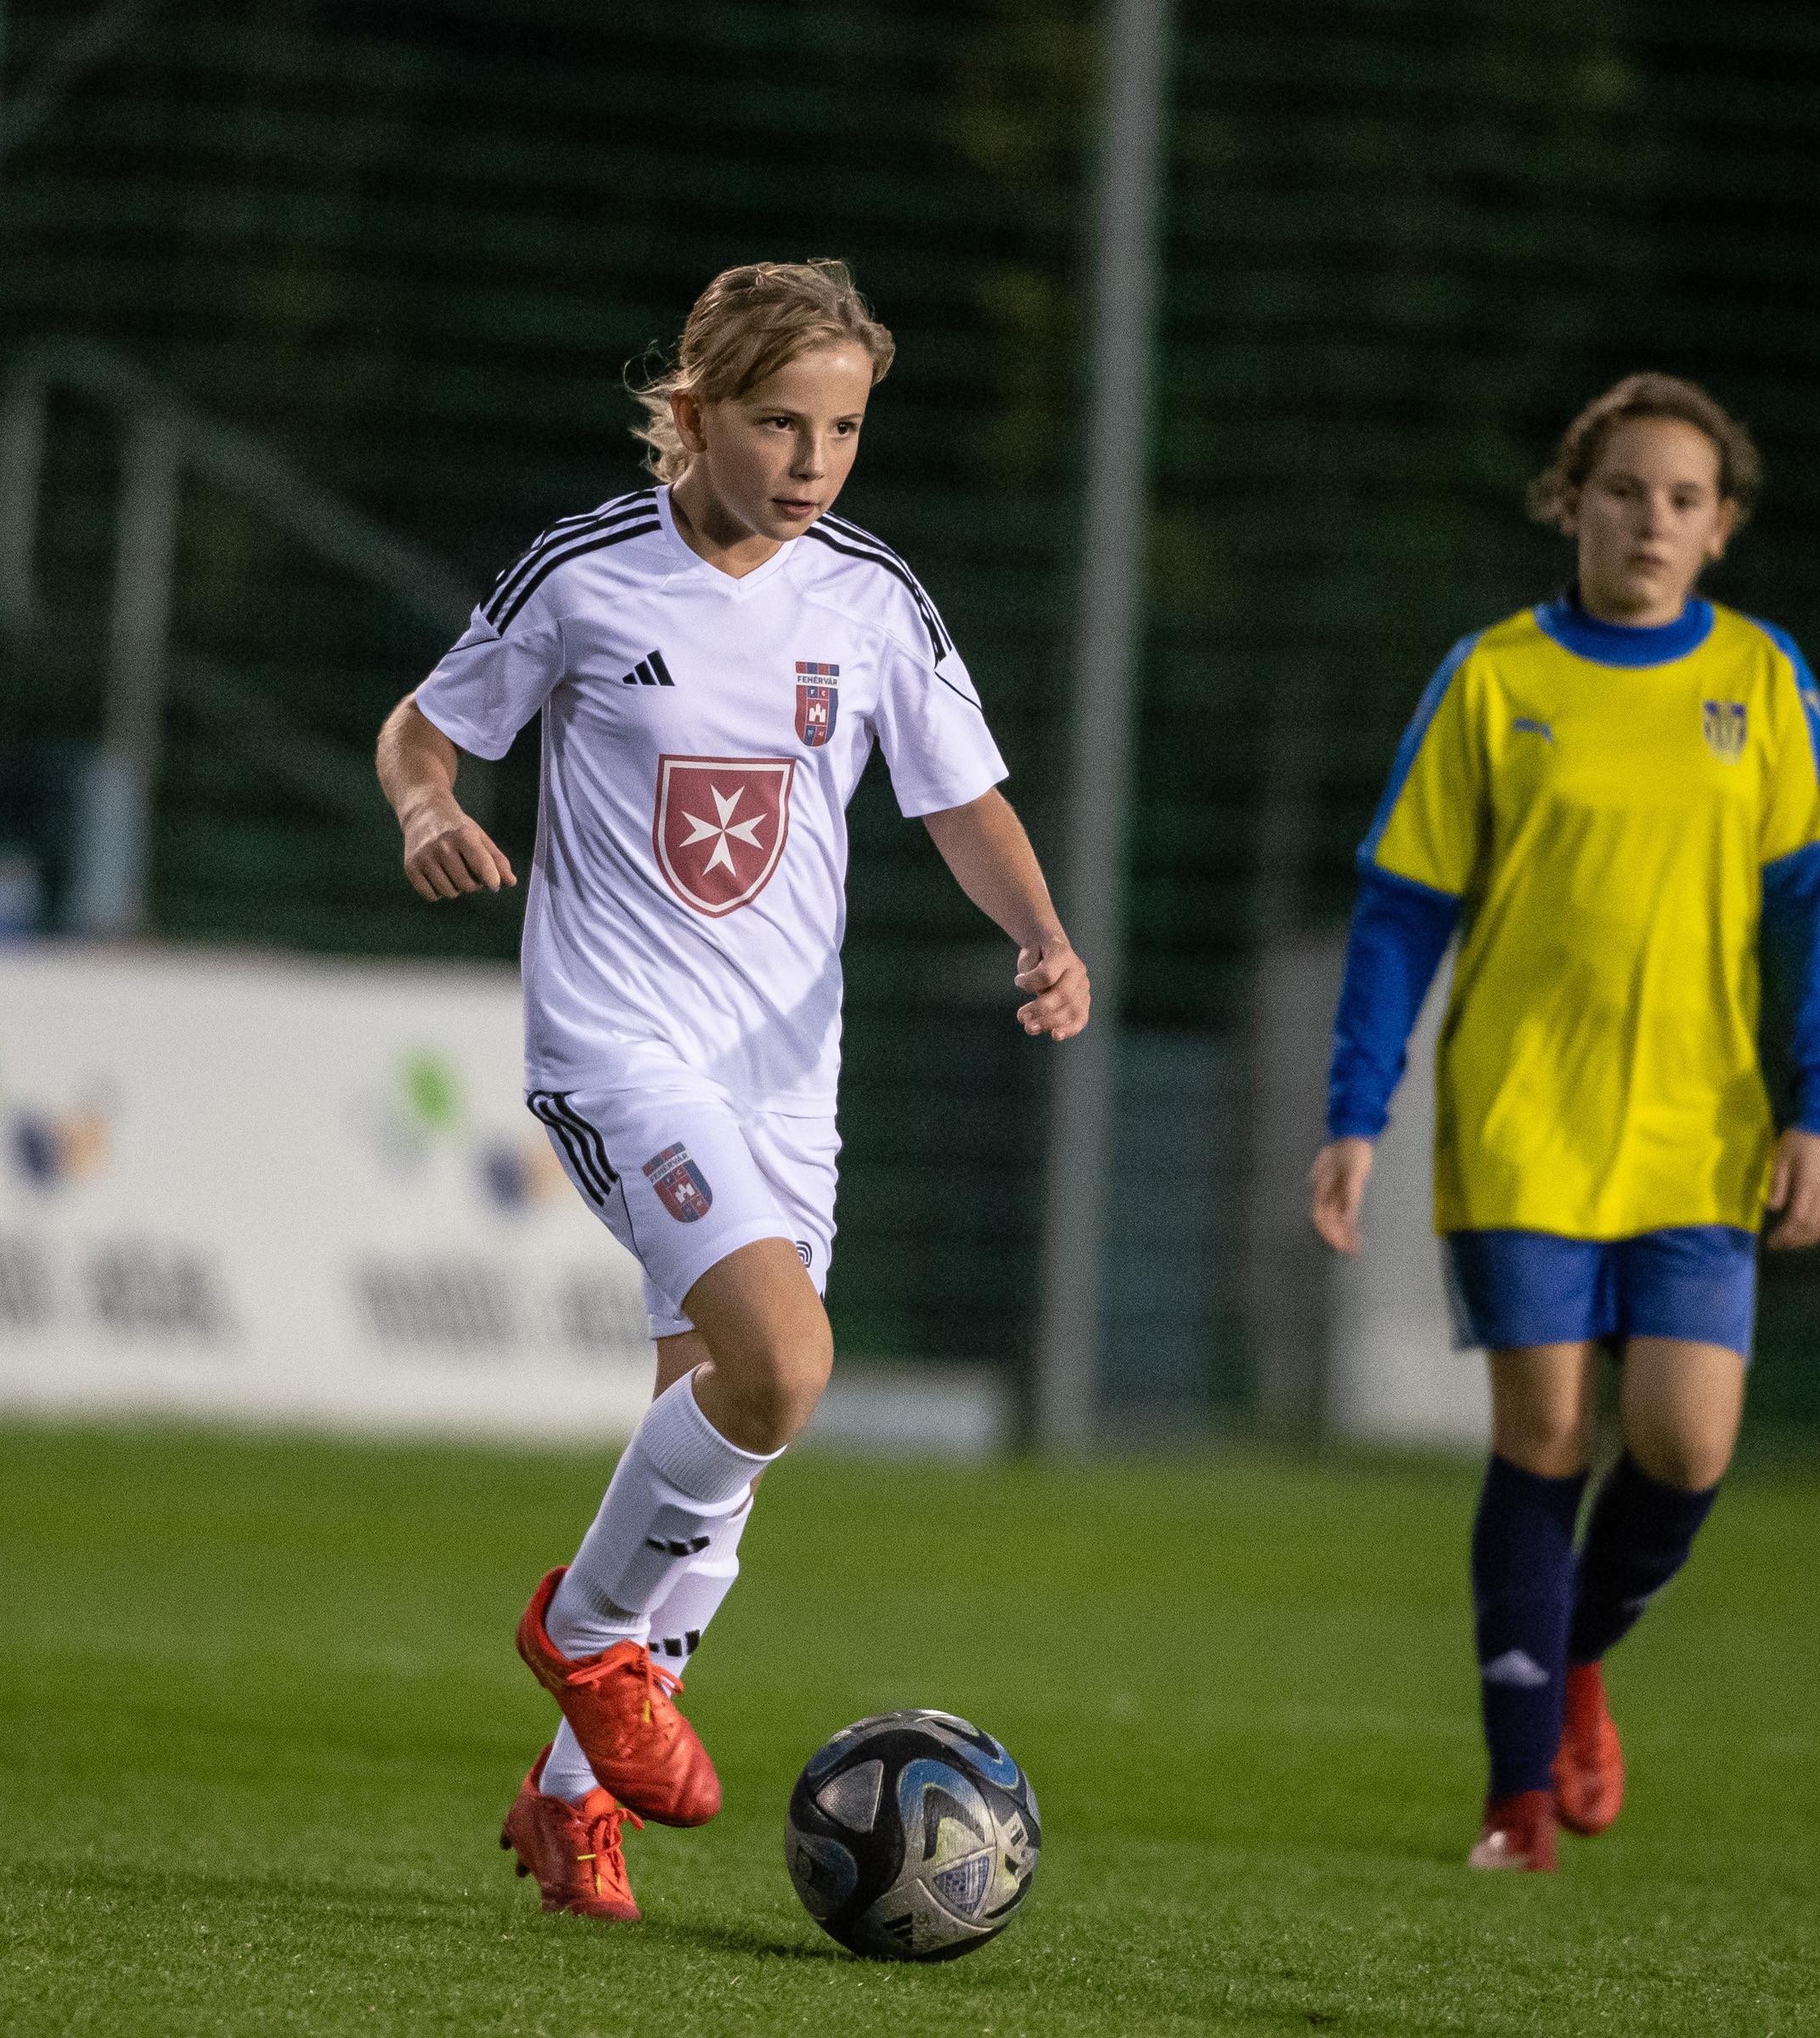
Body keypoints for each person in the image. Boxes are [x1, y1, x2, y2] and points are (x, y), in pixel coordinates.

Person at [374, 260, 1090, 1923]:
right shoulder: (585, 574)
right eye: (779, 423)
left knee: (724, 1446)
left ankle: (571, 1804)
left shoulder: (871, 599)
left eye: (844, 429)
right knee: (785, 1367)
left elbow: (961, 797)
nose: (814, 460)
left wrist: (1044, 934)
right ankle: (581, 1639)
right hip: (619, 1052)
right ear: (693, 413)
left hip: (786, 1083)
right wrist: (427, 808)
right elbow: (426, 728)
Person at [1310, 373, 1820, 1874]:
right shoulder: (1494, 679)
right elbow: (1401, 913)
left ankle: (1573, 1658)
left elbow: (1806, 915)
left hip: (1700, 1130)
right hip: (1525, 1121)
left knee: (1683, 1445)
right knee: (1547, 1434)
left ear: (1722, 526)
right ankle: (1517, 1805)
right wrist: (1357, 1111)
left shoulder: (1763, 677)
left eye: (1684, 499)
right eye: (1623, 491)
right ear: (1573, 503)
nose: (1650, 521)